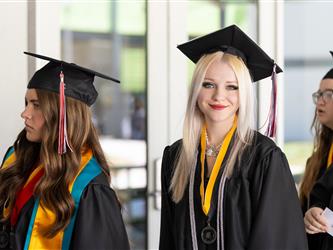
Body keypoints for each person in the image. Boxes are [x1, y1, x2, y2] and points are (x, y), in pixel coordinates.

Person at [159, 24, 308, 250]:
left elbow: (278, 240)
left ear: (244, 94)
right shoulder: (176, 156)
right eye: (208, 84)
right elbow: (168, 239)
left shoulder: (264, 158)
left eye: (232, 87)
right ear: (196, 90)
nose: (219, 96)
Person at [0, 52, 130, 250]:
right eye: (27, 103)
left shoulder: (88, 188)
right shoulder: (16, 160)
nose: (25, 113)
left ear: (63, 115)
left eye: (36, 105)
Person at [301, 51, 333, 250]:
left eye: (329, 95)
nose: (320, 101)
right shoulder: (316, 160)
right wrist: (311, 212)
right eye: (319, 94)